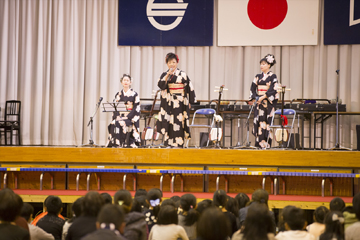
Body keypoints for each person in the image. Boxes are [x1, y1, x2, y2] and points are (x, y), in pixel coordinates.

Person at [156, 52, 196, 148]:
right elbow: (161, 86)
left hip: (180, 101)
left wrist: (190, 101)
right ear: (167, 64)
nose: (172, 64)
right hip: (168, 101)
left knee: (179, 121)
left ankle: (179, 143)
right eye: (169, 62)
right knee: (168, 121)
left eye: (174, 62)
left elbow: (189, 87)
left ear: (177, 63)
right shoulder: (164, 74)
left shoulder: (182, 74)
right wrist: (166, 77)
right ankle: (168, 143)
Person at [249, 54, 279, 149]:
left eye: (264, 64)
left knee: (267, 124)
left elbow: (274, 89)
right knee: (259, 124)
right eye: (261, 64)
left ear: (269, 65)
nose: (261, 66)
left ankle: (267, 146)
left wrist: (264, 97)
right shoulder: (257, 76)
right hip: (259, 104)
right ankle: (258, 146)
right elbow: (252, 89)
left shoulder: (273, 76)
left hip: (268, 105)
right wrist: (256, 97)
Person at [107, 74, 141, 148]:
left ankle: (122, 143)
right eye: (124, 80)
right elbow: (115, 107)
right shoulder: (118, 94)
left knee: (120, 122)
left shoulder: (135, 94)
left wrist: (128, 117)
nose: (126, 82)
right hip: (120, 116)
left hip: (130, 117)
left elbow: (136, 108)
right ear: (122, 82)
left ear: (130, 82)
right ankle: (115, 143)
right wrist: (118, 116)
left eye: (127, 80)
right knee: (113, 123)